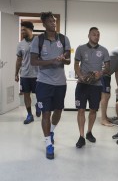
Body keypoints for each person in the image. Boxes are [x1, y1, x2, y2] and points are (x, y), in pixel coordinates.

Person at [30, 12, 71, 160]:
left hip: (60, 83)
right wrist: (51, 61)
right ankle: (48, 144)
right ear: (44, 24)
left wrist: (63, 59)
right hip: (44, 82)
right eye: (50, 21)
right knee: (46, 112)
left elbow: (68, 61)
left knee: (58, 111)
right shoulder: (38, 40)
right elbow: (34, 61)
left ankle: (51, 130)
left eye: (54, 21)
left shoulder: (64, 39)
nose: (53, 23)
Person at [74, 27, 110, 148]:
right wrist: (80, 76)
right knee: (81, 110)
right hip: (83, 84)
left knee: (93, 110)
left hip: (97, 85)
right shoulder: (81, 48)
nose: (96, 36)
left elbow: (108, 68)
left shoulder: (104, 50)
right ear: (88, 35)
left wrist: (101, 73)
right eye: (94, 34)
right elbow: (76, 65)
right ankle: (81, 136)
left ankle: (89, 132)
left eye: (98, 34)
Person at [15, 21, 41, 124]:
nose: (22, 31)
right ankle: (29, 114)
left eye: (24, 29)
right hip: (25, 74)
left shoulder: (38, 41)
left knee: (39, 93)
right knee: (26, 94)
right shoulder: (20, 44)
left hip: (38, 74)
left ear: (30, 29)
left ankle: (38, 105)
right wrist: (16, 73)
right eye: (21, 30)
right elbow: (18, 60)